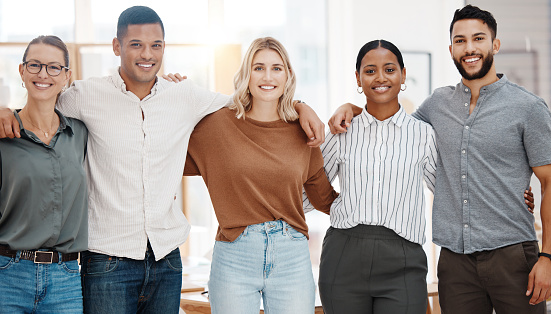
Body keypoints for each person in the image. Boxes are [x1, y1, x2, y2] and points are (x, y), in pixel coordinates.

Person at [0, 6, 324, 313]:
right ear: (117, 46)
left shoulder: (185, 95)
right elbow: (40, 102)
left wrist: (300, 106)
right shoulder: (83, 97)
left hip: (167, 259)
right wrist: (5, 111)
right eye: (136, 44)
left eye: (156, 45)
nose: (147, 54)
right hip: (107, 260)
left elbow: (255, 99)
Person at [329, 5, 551, 314]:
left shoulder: (528, 107)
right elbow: (392, 125)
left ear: (494, 45)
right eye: (460, 41)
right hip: (455, 263)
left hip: (512, 255)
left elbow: (549, 183)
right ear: (451, 49)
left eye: (478, 38)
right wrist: (351, 108)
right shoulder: (436, 104)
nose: (469, 48)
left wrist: (548, 257)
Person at [182, 37, 338, 314]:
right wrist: (170, 94)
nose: (268, 77)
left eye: (277, 68)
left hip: (291, 254)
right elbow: (165, 156)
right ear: (246, 74)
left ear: (288, 75)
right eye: (258, 68)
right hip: (234, 254)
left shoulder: (304, 131)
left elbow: (325, 199)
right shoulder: (216, 126)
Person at [302, 39, 437, 314]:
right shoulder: (342, 132)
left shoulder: (423, 135)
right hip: (344, 256)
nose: (380, 78)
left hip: (404, 259)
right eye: (370, 71)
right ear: (358, 78)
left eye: (389, 69)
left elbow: (449, 193)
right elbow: (306, 194)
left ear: (403, 75)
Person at [0, 35, 87, 312]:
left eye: (53, 67)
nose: (43, 74)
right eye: (35, 65)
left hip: (66, 278)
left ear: (66, 76)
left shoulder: (80, 133)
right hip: (7, 275)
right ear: (22, 71)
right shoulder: (3, 132)